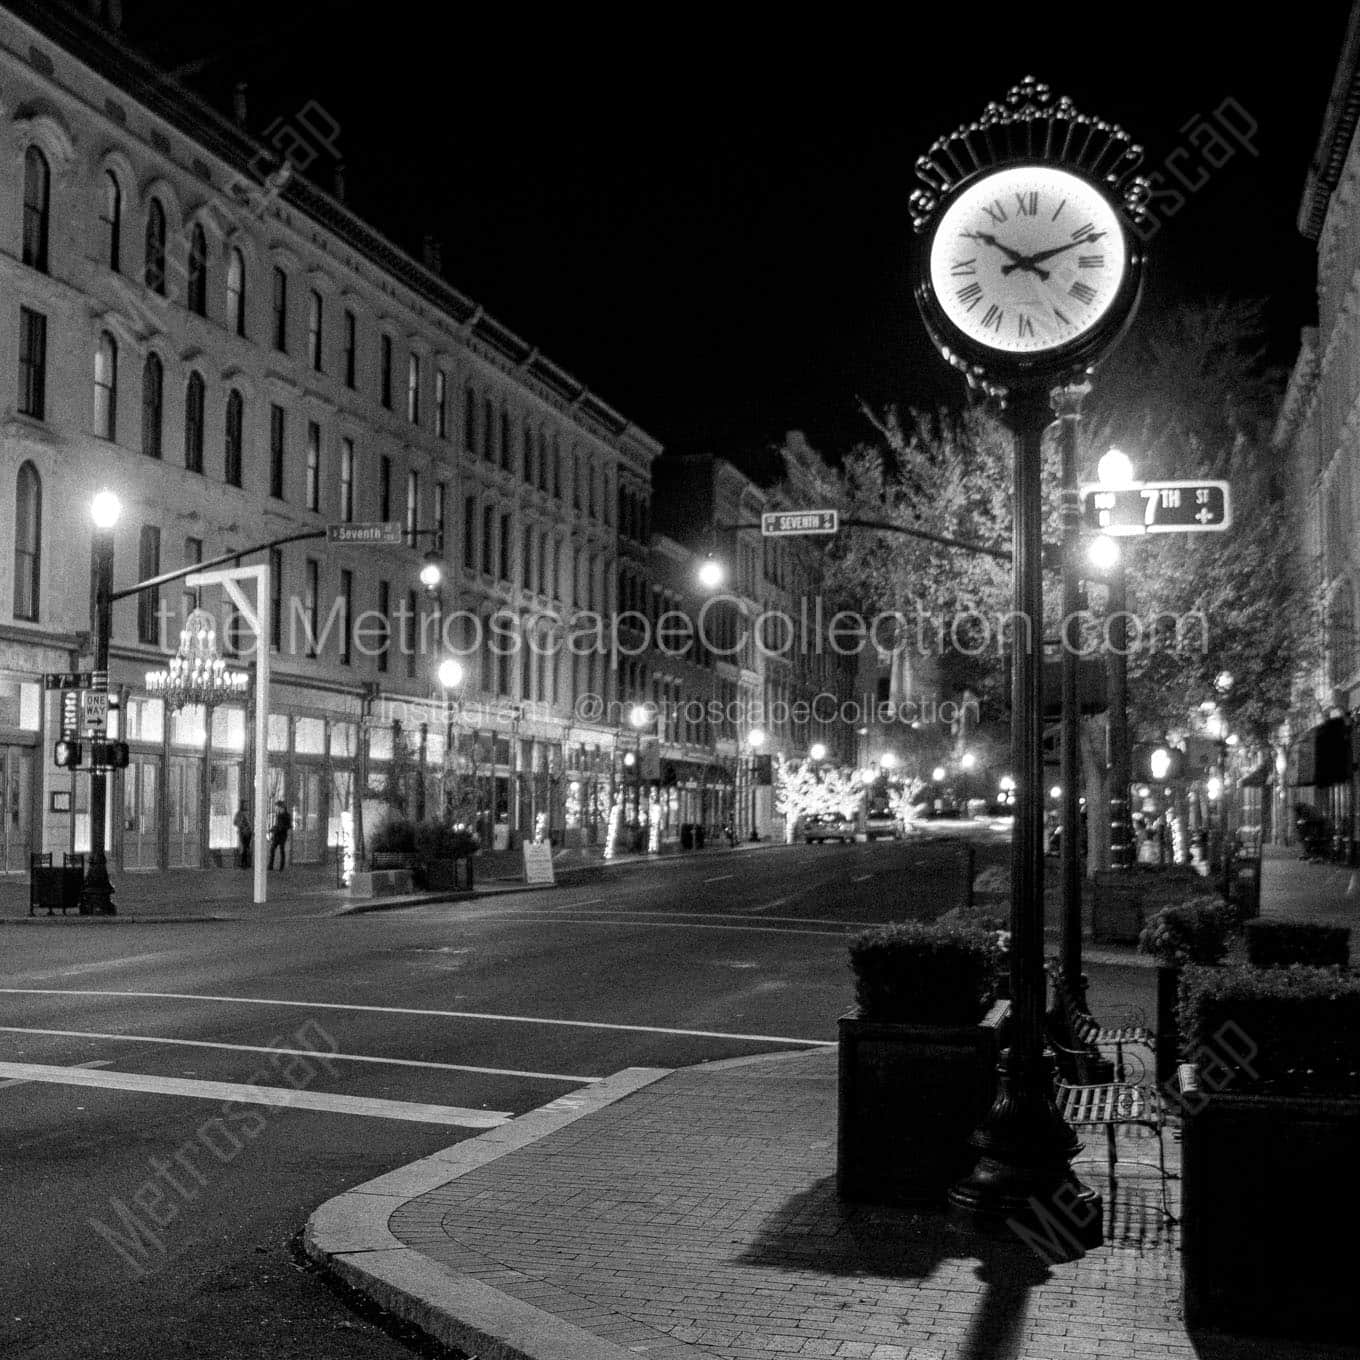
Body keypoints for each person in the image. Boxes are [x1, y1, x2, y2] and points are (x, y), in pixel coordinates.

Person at [267, 800, 293, 870]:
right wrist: (273, 829)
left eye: (277, 807)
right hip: (277, 835)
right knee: (272, 849)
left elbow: (289, 826)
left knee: (282, 850)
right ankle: (270, 866)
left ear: (281, 807)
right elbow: (278, 825)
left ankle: (281, 866)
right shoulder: (279, 815)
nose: (276, 809)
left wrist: (281, 828)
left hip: (282, 835)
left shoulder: (287, 815)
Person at [232, 802, 252, 869]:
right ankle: (244, 863)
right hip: (243, 832)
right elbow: (236, 822)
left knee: (246, 847)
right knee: (245, 847)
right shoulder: (240, 813)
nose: (246, 806)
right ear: (242, 805)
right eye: (245, 805)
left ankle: (245, 863)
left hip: (247, 832)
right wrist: (243, 827)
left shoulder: (245, 813)